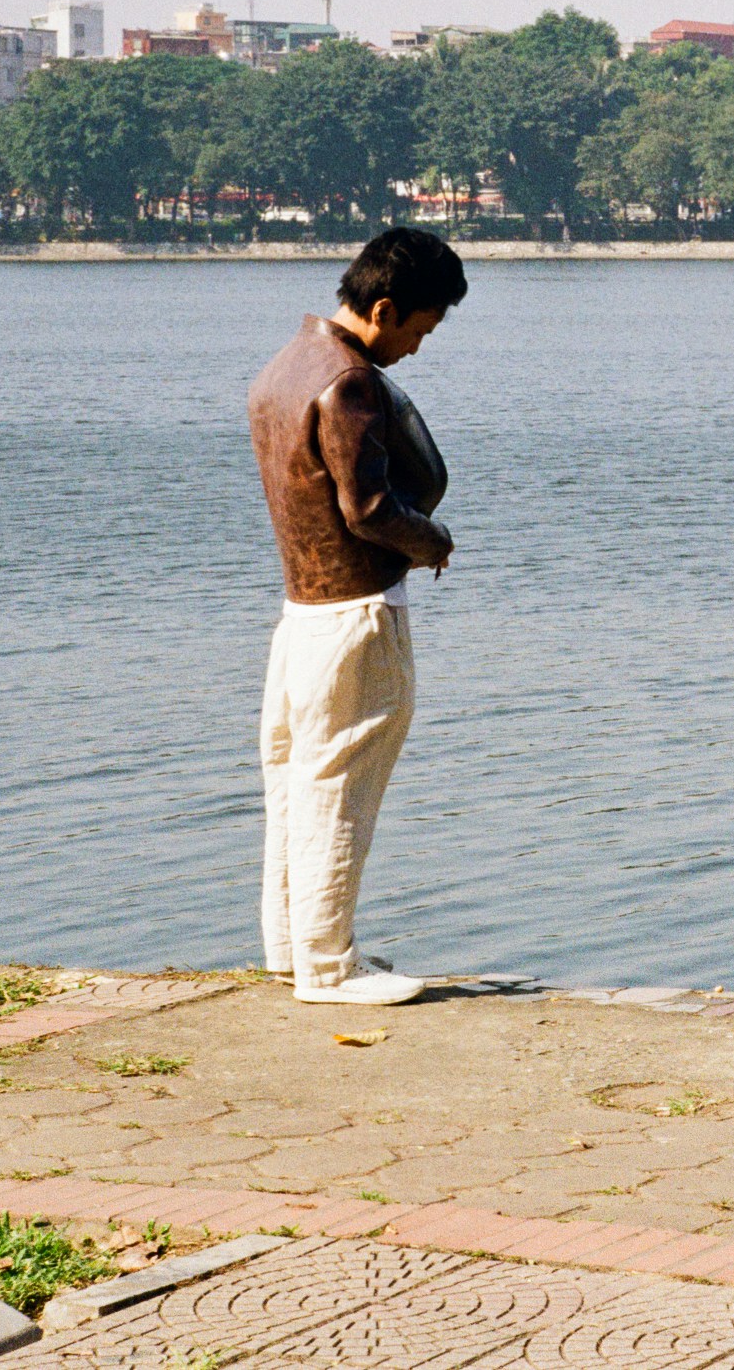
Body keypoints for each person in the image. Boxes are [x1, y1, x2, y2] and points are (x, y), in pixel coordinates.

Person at [244, 228, 467, 1006]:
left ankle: (292, 949)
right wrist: (433, 539)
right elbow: (369, 508)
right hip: (357, 616)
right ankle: (330, 967)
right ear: (383, 308)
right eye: (418, 328)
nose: (416, 347)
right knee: (341, 787)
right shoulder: (350, 383)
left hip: (300, 615)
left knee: (296, 782)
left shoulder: (281, 369)